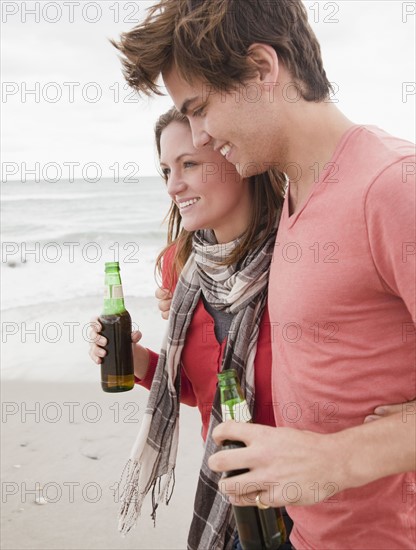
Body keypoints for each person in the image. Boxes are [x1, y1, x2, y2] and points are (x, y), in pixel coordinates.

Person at [111, 1, 416, 549]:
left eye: (200, 108)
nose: (199, 136)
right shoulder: (295, 197)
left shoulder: (393, 186)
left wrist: (333, 458)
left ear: (260, 68)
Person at [89, 106, 290, 549]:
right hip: (230, 494)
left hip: (307, 498)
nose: (173, 186)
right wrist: (138, 362)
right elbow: (204, 390)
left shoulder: (298, 255)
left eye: (190, 164)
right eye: (165, 170)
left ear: (238, 157)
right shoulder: (179, 268)